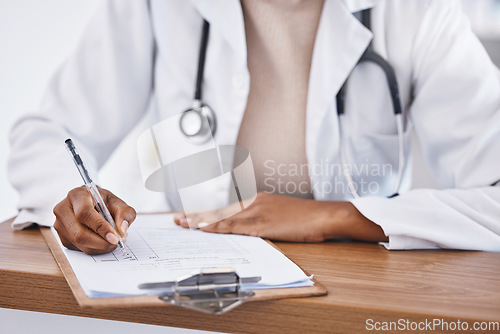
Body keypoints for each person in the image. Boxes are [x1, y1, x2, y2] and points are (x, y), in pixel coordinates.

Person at [8, 0, 500, 255]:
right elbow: (47, 129)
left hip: (357, 295)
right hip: (196, 291)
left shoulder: (418, 14)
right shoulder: (160, 6)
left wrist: (334, 216)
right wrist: (74, 195)